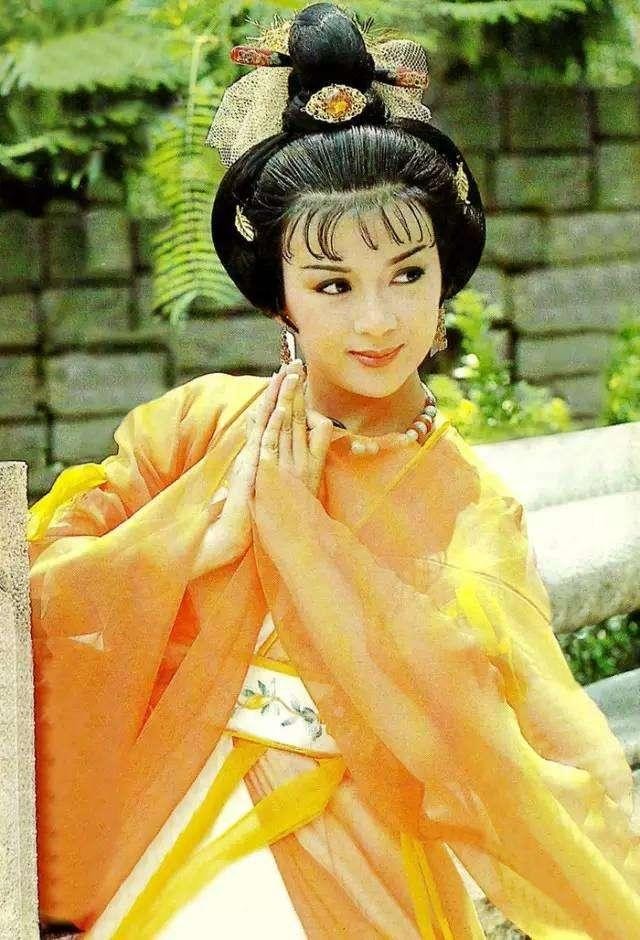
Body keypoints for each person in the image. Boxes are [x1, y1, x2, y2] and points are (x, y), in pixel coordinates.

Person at [28, 4, 640, 938]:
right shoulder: (195, 428)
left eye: (407, 274)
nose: (378, 320)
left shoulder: (470, 507)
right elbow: (36, 591)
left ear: (445, 280)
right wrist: (189, 544)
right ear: (279, 296)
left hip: (363, 848)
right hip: (167, 820)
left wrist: (320, 564)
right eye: (332, 285)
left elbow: (547, 746)